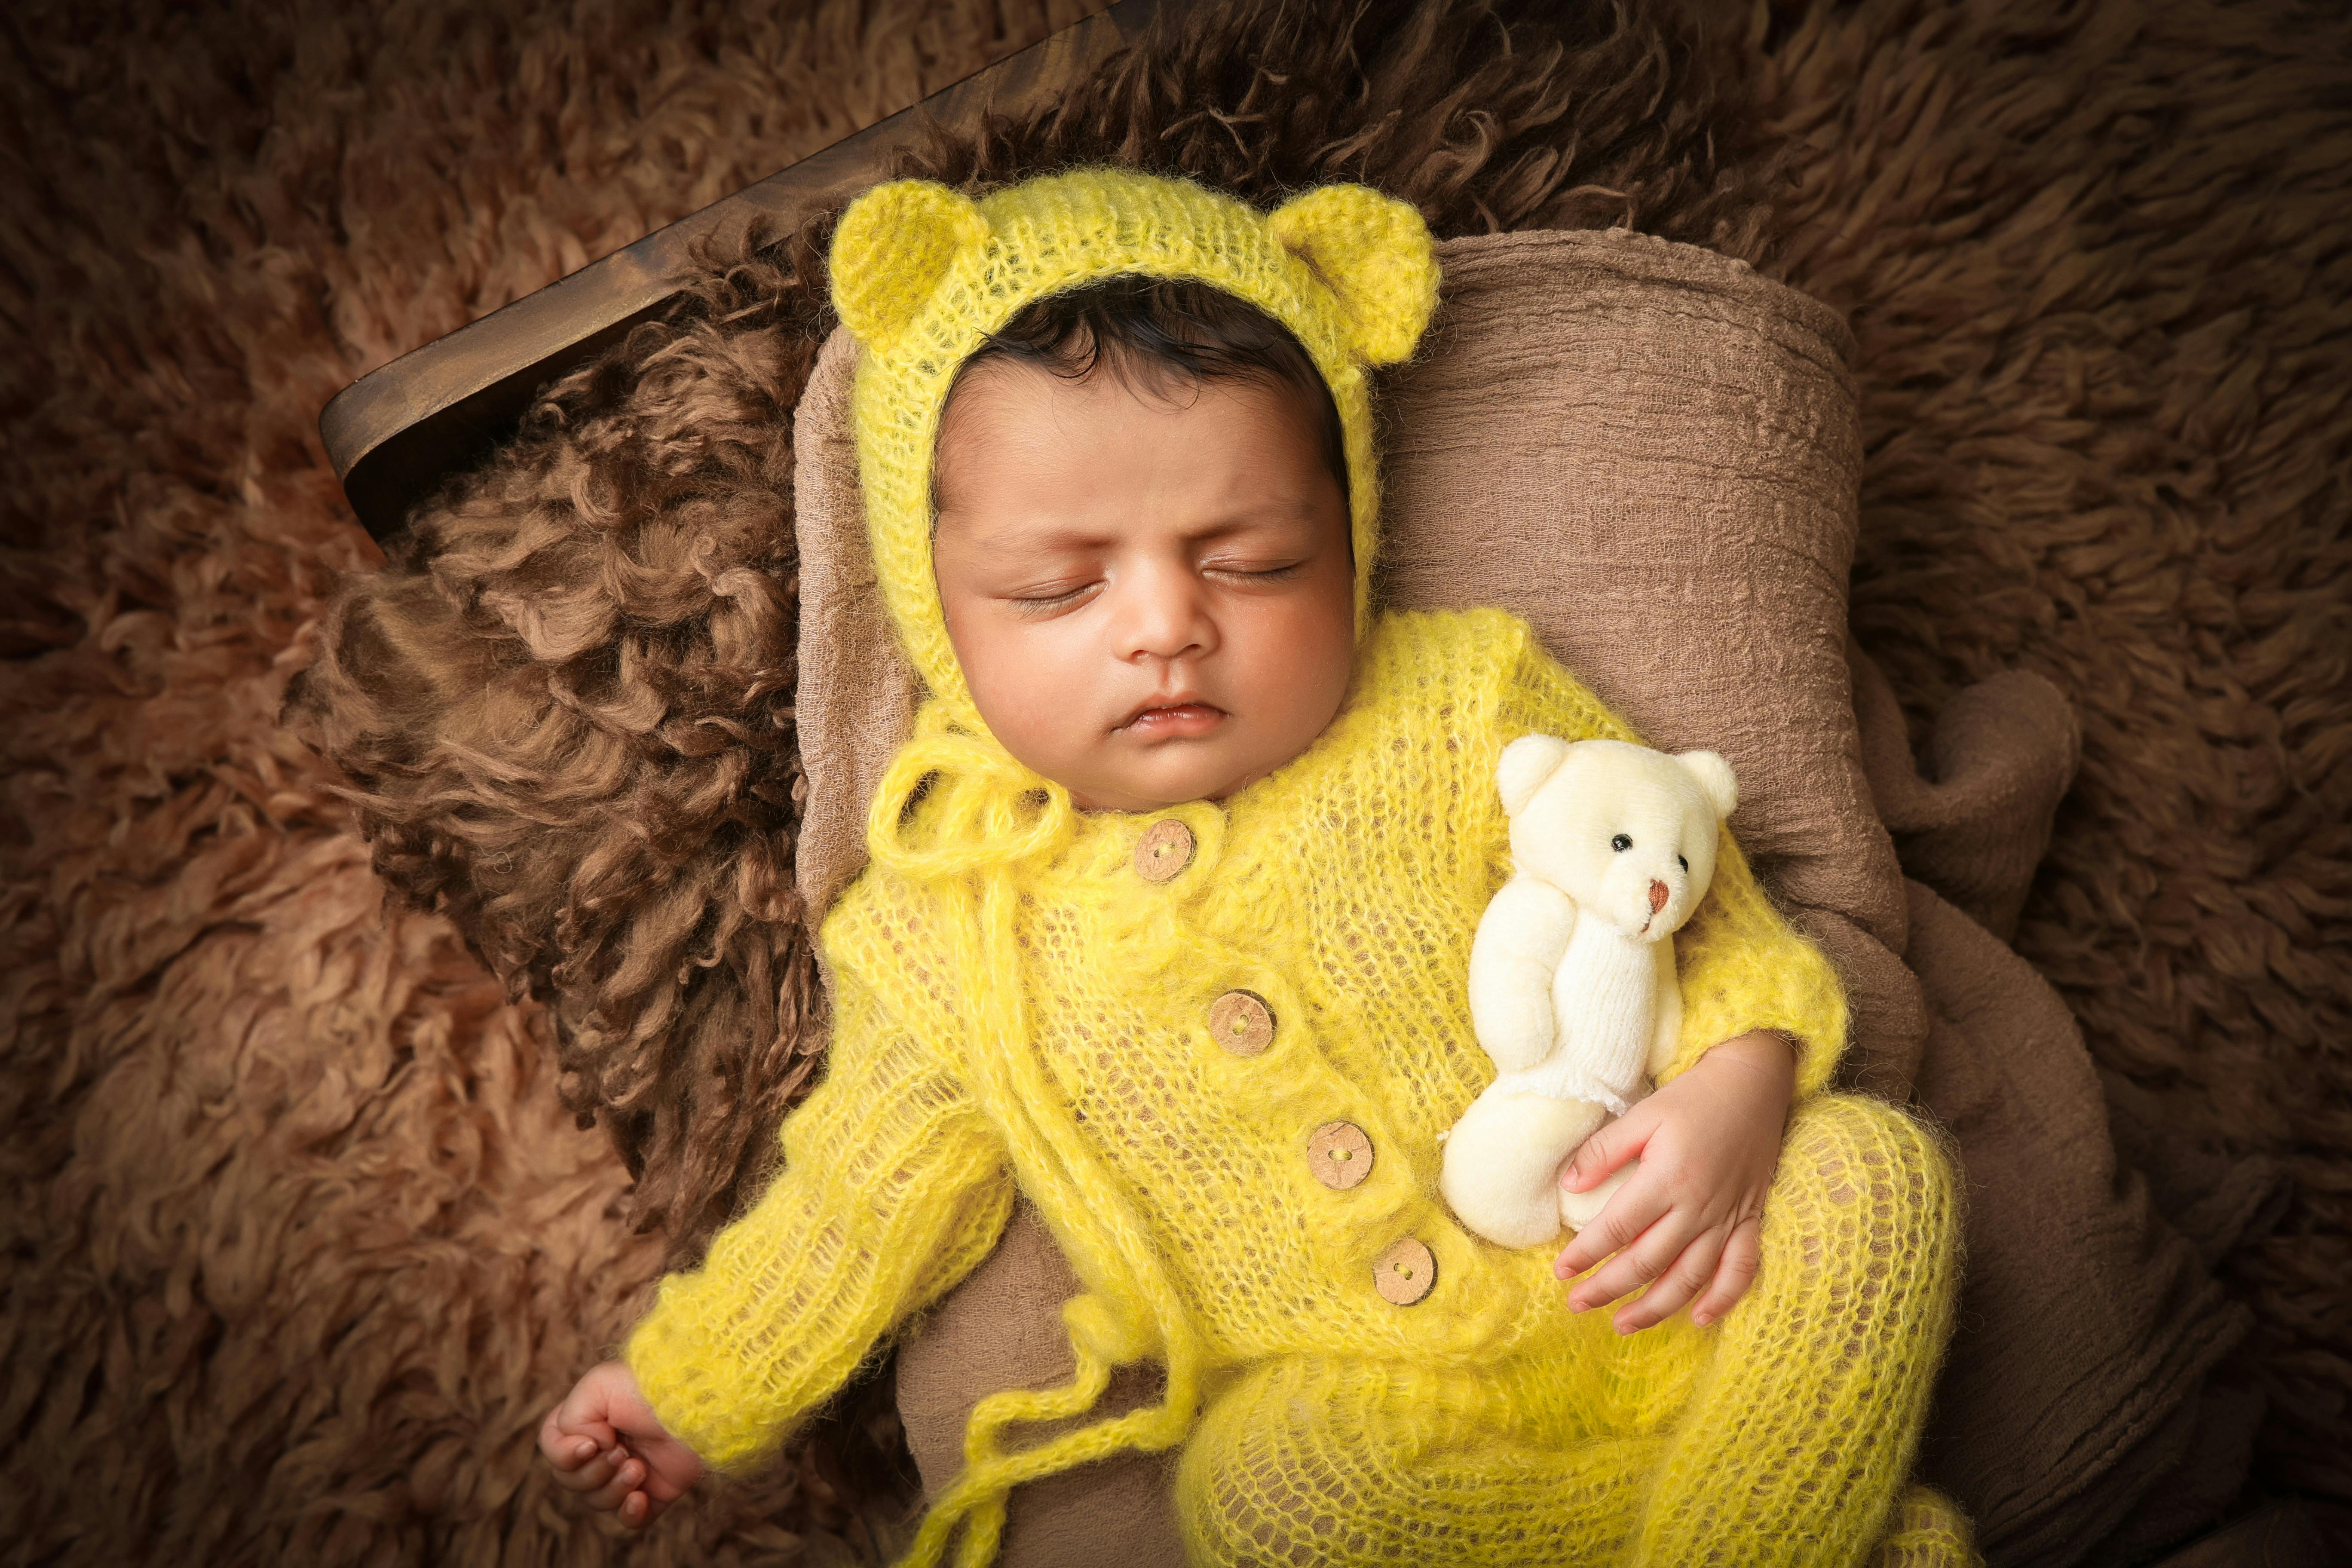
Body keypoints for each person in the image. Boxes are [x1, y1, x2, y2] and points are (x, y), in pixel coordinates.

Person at [537, 169, 1978, 1568]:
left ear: (1349, 540)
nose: (1165, 625)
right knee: (1264, 1501)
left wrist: (1740, 1089)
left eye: (1254, 562)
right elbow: (860, 1203)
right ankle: (1795, 1536)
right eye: (1061, 587)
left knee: (1873, 1177)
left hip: (1680, 1262)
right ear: (940, 617)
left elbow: (1696, 897)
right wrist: (690, 1388)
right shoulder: (954, 924)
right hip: (1383, 1404)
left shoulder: (1463, 701)